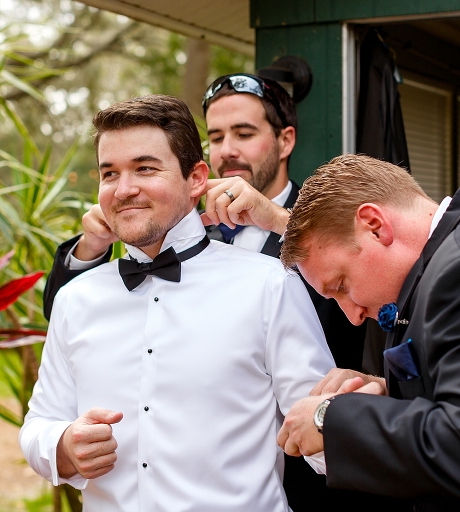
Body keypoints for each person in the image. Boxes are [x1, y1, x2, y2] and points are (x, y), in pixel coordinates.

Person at [41, 74, 371, 510]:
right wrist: (60, 447)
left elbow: (365, 273)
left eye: (144, 168)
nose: (227, 150)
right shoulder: (91, 287)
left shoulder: (273, 276)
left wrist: (354, 419)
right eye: (215, 136)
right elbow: (47, 402)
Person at [276, 154, 460, 511]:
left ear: (374, 225)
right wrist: (386, 395)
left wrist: (332, 418)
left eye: (341, 285)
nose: (353, 315)